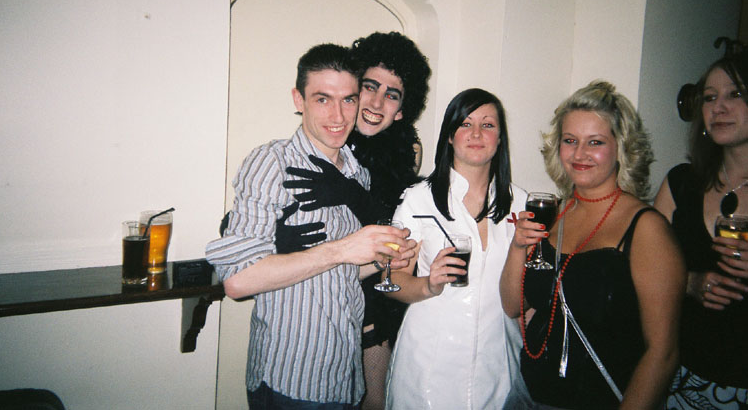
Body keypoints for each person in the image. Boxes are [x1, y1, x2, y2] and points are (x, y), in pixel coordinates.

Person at [205, 43, 415, 410]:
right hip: (291, 379)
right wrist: (342, 249)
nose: (338, 115)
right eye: (322, 99)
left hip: (344, 377)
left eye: (348, 100)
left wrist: (379, 261)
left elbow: (337, 273)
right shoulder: (272, 162)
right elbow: (237, 281)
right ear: (298, 100)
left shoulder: (357, 173)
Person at [500, 80, 685, 410]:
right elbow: (513, 305)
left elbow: (663, 353)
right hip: (526, 396)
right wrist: (517, 247)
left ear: (620, 147)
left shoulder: (646, 228)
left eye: (595, 142)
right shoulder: (553, 214)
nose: (579, 154)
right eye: (570, 140)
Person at [279, 31, 431, 410]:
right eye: (369, 87)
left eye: (392, 94)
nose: (376, 103)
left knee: (373, 399)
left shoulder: (407, 150)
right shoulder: (328, 138)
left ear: (401, 109)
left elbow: (393, 227)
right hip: (318, 296)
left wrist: (348, 193)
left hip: (374, 293)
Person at [383, 88, 527, 409]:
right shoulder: (418, 199)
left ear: (500, 138)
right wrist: (428, 284)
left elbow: (525, 296)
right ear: (450, 136)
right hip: (428, 370)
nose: (476, 133)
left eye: (487, 125)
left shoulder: (521, 204)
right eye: (465, 124)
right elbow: (390, 279)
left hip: (499, 368)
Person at [653, 38, 748, 409]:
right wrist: (689, 281)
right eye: (709, 97)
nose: (718, 107)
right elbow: (644, 268)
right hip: (684, 376)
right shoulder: (681, 182)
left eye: (735, 94)